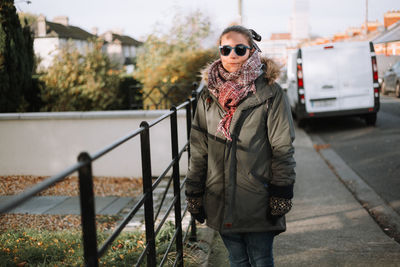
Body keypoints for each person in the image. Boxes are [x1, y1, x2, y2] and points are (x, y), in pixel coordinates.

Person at [185, 25, 296, 267]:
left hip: (259, 196)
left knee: (261, 259)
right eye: (226, 49)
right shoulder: (208, 95)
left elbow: (283, 146)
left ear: (252, 51)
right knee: (237, 260)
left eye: (239, 49)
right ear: (220, 52)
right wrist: (194, 191)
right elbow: (199, 148)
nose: (232, 55)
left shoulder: (270, 92)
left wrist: (282, 190)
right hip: (220, 198)